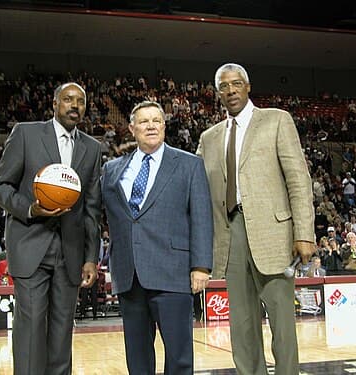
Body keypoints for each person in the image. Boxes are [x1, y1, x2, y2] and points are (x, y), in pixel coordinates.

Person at [197, 63, 315, 375]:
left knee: (282, 324)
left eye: (237, 84)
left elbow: (298, 180)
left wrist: (304, 233)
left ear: (248, 87)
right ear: (218, 93)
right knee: (242, 324)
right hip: (230, 233)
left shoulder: (276, 120)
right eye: (224, 86)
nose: (231, 90)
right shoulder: (209, 138)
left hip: (274, 234)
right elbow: (196, 190)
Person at [0, 82, 102, 375]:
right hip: (30, 243)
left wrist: (91, 257)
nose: (74, 106)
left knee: (62, 329)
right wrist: (30, 208)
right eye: (67, 99)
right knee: (30, 326)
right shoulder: (26, 134)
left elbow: (92, 208)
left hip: (70, 251)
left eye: (80, 101)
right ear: (54, 104)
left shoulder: (92, 148)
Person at [101, 101, 213, 375]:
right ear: (131, 128)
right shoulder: (113, 169)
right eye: (143, 121)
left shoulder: (189, 164)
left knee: (179, 355)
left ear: (164, 126)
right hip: (130, 274)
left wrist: (201, 265)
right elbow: (99, 216)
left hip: (173, 272)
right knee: (137, 357)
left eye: (156, 121)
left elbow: (201, 216)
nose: (150, 126)